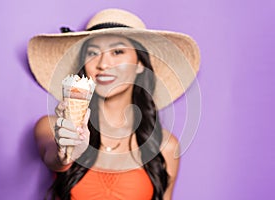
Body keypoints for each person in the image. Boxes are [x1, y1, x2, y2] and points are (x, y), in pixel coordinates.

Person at [28, 8, 200, 200]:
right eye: (93, 52)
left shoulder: (165, 147)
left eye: (117, 51)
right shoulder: (53, 126)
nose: (103, 64)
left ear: (140, 65)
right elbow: (53, 159)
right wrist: (67, 153)